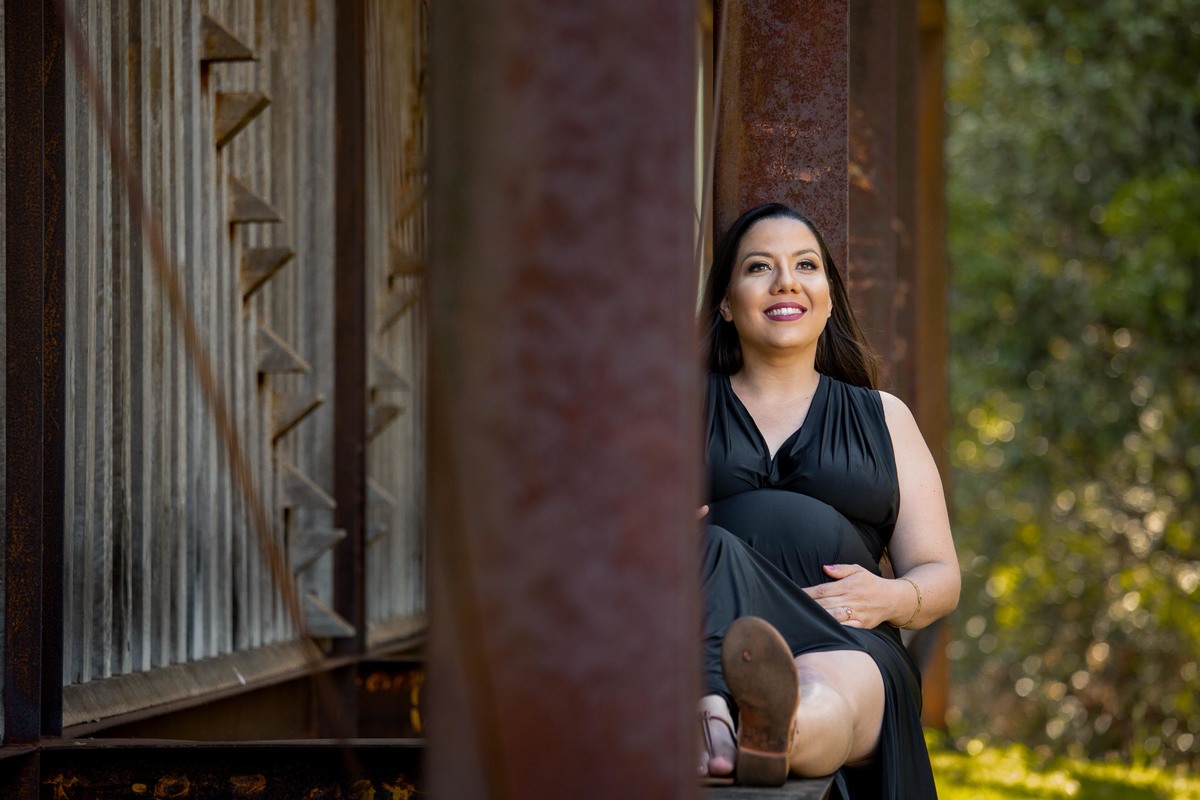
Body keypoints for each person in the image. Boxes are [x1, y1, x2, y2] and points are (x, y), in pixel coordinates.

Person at [695, 203, 960, 797]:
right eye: (759, 267)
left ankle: (768, 731)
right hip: (704, 626)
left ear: (830, 298)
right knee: (710, 550)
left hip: (841, 631)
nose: (785, 281)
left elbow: (941, 573)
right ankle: (719, 714)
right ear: (726, 303)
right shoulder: (673, 408)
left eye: (805, 265)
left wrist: (891, 596)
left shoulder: (884, 417)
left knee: (822, 688)